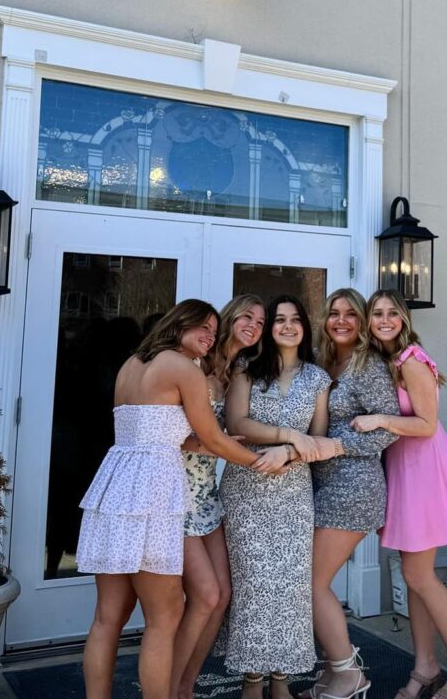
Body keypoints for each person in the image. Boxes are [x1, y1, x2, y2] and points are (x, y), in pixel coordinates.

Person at [76, 300, 285, 699]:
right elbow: (213, 438)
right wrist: (262, 463)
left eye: (212, 329)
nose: (209, 336)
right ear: (178, 324)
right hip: (155, 491)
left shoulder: (131, 364)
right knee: (164, 617)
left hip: (117, 485)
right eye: (202, 328)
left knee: (107, 619)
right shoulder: (184, 368)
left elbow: (155, 428)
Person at [354, 291, 447, 699]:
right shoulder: (385, 362)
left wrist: (377, 420)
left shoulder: (411, 359)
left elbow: (426, 424)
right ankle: (424, 665)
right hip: (404, 467)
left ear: (403, 319)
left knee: (419, 574)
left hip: (423, 467)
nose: (385, 319)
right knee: (412, 576)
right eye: (378, 313)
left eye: (392, 313)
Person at [220, 295, 339, 699]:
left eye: (295, 320)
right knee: (253, 584)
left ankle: (282, 678)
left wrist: (290, 451)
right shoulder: (246, 369)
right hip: (246, 488)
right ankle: (252, 679)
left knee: (289, 586)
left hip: (293, 493)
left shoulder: (318, 379)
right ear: (269, 328)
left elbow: (320, 439)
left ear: (305, 327)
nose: (287, 326)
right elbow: (236, 423)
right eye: (279, 320)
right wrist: (288, 434)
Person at [301, 288, 400, 699]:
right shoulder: (326, 364)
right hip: (324, 484)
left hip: (355, 486)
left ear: (361, 322)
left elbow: (391, 428)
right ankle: (331, 673)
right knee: (312, 580)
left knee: (311, 581)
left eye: (350, 314)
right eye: (333, 313)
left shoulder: (368, 365)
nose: (340, 320)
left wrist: (338, 446)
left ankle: (347, 673)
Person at [169, 295, 266, 699]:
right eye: (247, 316)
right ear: (229, 318)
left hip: (207, 492)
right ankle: (166, 689)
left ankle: (186, 687)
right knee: (205, 594)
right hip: (177, 492)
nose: (254, 325)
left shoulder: (234, 372)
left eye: (261, 322)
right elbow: (167, 431)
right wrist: (223, 446)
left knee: (222, 595)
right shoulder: (193, 364)